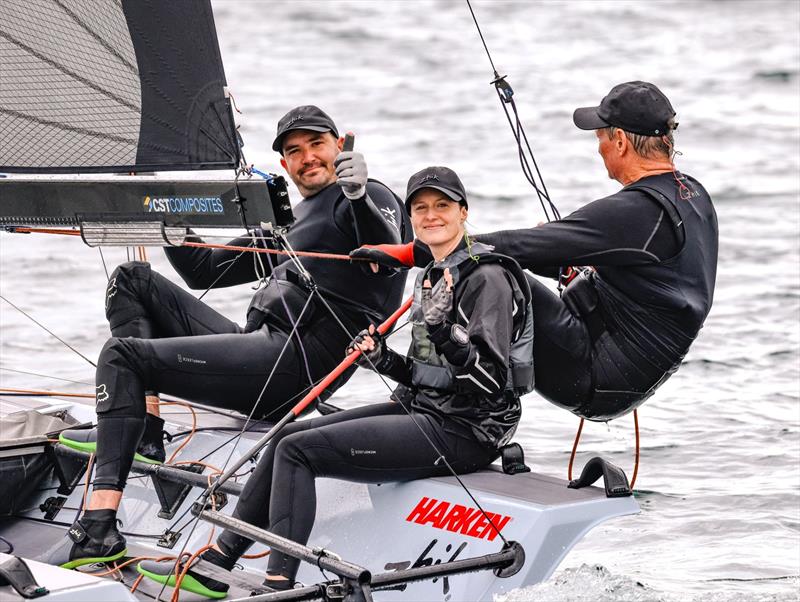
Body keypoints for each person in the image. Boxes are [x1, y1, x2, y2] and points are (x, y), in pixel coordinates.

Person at [134, 166, 533, 597]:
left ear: (463, 212)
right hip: (427, 410)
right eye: (420, 208)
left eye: (442, 206)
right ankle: (217, 563)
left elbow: (490, 382)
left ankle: (277, 586)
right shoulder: (432, 274)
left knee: (298, 452)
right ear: (412, 218)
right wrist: (383, 360)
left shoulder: (486, 278)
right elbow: (427, 376)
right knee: (287, 432)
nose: (431, 215)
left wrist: (443, 333)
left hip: (467, 430)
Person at [48, 105, 412, 569]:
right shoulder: (291, 218)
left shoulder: (365, 199)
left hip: (289, 371)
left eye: (317, 145)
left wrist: (358, 194)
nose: (307, 158)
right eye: (294, 151)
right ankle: (146, 434)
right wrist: (164, 203)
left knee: (122, 357)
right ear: (283, 165)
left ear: (340, 146)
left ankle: (98, 527)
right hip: (258, 345)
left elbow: (392, 256)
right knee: (133, 280)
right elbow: (205, 269)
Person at [352, 82, 719, 421]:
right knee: (495, 266)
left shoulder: (641, 212)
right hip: (615, 364)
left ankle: (435, 413)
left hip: (594, 375)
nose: (599, 147)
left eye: (601, 137)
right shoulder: (692, 194)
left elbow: (518, 247)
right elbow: (652, 281)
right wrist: (564, 265)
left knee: (490, 272)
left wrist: (408, 254)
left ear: (620, 141)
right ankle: (425, 399)